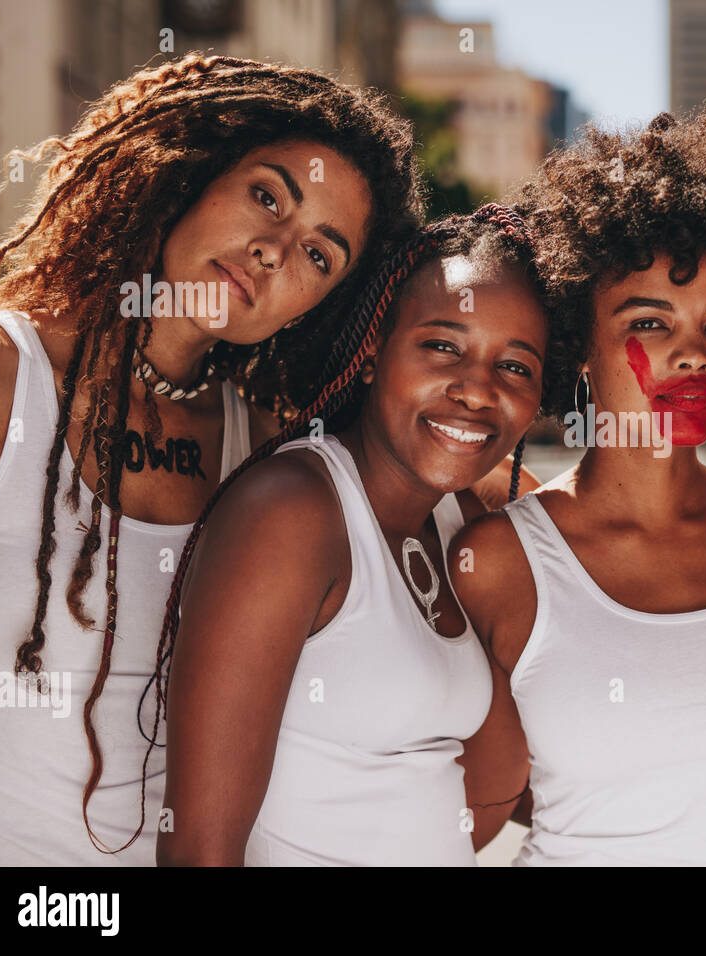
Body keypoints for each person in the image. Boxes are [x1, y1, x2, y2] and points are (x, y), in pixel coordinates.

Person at [0, 53, 423, 864]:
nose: (275, 251)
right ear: (191, 170)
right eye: (266, 196)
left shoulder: (269, 459)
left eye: (321, 255)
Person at [450, 113, 706, 866]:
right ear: (576, 340)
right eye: (650, 322)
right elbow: (441, 807)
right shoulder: (497, 561)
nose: (694, 354)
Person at [154, 206, 561, 866]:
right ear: (373, 352)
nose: (477, 390)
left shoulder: (465, 519)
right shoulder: (291, 511)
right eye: (442, 346)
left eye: (515, 367)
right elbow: (200, 847)